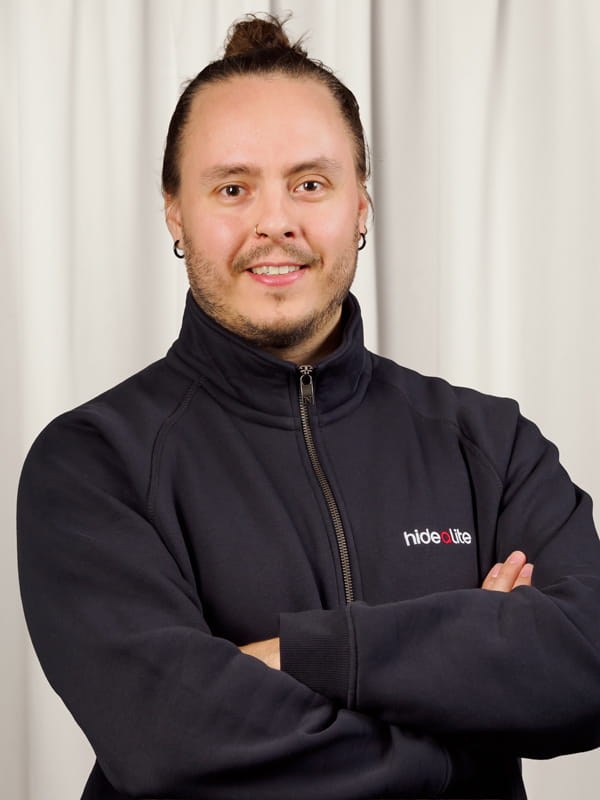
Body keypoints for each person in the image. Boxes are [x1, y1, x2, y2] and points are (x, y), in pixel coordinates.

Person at [17, 13, 600, 800]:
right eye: (232, 188)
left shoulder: (490, 443)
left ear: (361, 206)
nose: (275, 222)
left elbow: (587, 663)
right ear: (175, 212)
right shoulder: (92, 463)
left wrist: (298, 655)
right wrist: (462, 715)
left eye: (310, 183)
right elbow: (167, 739)